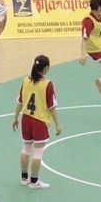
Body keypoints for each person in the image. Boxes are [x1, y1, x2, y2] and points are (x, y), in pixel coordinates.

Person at [12, 55, 61, 189]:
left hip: (25, 119)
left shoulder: (25, 81)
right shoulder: (47, 84)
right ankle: (34, 181)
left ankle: (24, 178)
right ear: (46, 68)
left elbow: (20, 101)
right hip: (39, 120)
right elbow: (51, 106)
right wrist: (57, 124)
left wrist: (15, 118)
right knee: (38, 151)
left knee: (26, 147)